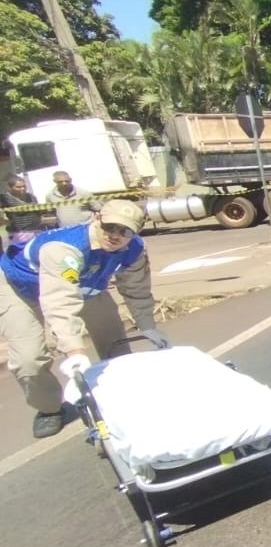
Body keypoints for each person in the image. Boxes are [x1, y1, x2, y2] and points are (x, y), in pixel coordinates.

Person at [0, 198, 167, 439]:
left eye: (125, 231)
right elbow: (60, 302)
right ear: (97, 219)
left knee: (114, 343)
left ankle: (120, 394)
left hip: (87, 284)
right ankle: (49, 409)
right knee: (29, 359)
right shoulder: (64, 248)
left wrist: (148, 326)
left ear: (136, 232)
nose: (115, 235)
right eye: (110, 227)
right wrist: (75, 351)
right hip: (22, 288)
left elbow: (136, 288)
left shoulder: (135, 249)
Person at [1, 175, 45, 251]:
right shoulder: (5, 199)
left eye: (24, 186)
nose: (23, 189)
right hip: (19, 234)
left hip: (37, 231)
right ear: (10, 188)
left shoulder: (31, 197)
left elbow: (39, 213)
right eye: (18, 187)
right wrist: (10, 223)